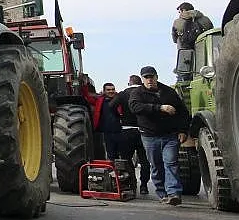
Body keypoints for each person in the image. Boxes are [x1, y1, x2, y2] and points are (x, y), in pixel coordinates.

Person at [128, 66, 190, 205]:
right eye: (146, 77)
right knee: (156, 165)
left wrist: (183, 130)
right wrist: (160, 108)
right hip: (149, 136)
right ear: (142, 79)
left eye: (151, 77)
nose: (149, 80)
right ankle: (162, 193)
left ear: (156, 77)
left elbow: (183, 112)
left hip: (170, 135)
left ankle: (174, 193)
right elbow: (135, 107)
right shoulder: (137, 93)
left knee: (171, 163)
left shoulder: (168, 92)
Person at [80, 76, 128, 160]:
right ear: (104, 91)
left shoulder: (119, 99)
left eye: (113, 89)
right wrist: (84, 85)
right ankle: (113, 167)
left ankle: (122, 168)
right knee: (111, 154)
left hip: (120, 131)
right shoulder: (100, 100)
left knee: (123, 154)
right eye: (108, 90)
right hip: (107, 132)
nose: (111, 91)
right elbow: (87, 97)